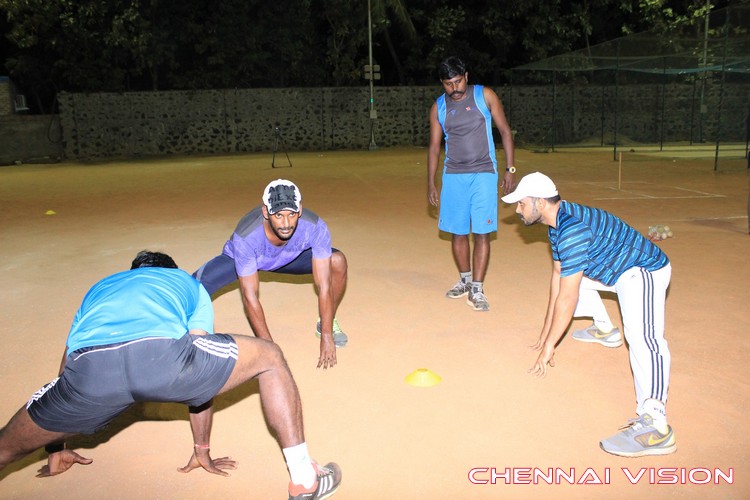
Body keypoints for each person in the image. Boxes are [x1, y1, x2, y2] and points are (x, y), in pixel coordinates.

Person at [0, 251, 342, 499]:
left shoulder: (100, 288)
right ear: (171, 269)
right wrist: (202, 448)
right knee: (269, 356)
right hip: (161, 358)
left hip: (88, 375)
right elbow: (199, 356)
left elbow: (65, 366)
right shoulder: (185, 282)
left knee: (5, 448)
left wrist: (56, 445)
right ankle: (304, 480)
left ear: (132, 271)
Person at [502, 172, 676, 458]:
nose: (517, 209)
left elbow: (568, 298)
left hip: (641, 270)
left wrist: (549, 348)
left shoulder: (572, 229)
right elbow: (559, 276)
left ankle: (656, 426)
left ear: (541, 203)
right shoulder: (556, 222)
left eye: (521, 203)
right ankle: (606, 330)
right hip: (613, 269)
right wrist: (545, 333)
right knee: (572, 276)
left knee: (644, 339)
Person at [193, 179, 348, 369]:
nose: (286, 223)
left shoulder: (314, 226)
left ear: (299, 209)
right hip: (248, 258)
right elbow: (250, 297)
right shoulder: (247, 236)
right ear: (266, 212)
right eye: (278, 215)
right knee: (193, 286)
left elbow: (323, 284)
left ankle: (327, 321)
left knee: (337, 261)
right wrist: (271, 350)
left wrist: (326, 335)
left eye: (291, 214)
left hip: (290, 257)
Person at [427, 55, 517, 312]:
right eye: (447, 84)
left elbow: (505, 131)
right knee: (457, 232)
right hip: (453, 175)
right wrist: (431, 183)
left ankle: (477, 288)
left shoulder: (484, 96)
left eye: (457, 81)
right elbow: (434, 148)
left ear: (466, 76)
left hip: (484, 173)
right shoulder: (439, 107)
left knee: (481, 232)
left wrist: (510, 169)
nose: (454, 88)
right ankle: (465, 279)